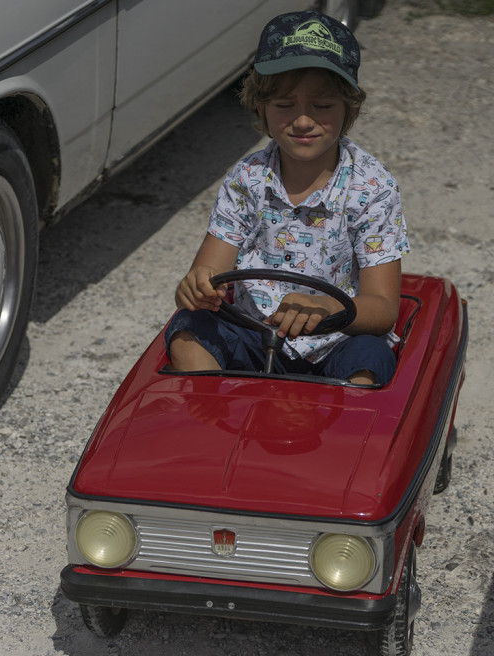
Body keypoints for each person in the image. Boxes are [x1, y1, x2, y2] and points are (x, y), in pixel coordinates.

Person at [166, 9, 409, 385]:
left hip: (334, 342)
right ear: (260, 108)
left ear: (349, 108)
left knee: (370, 358)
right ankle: (212, 420)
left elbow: (382, 308)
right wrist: (198, 286)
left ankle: (344, 437)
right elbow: (210, 272)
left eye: (323, 106)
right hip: (253, 334)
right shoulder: (247, 178)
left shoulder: (372, 187)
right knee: (186, 328)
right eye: (284, 105)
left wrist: (329, 308)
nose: (302, 120)